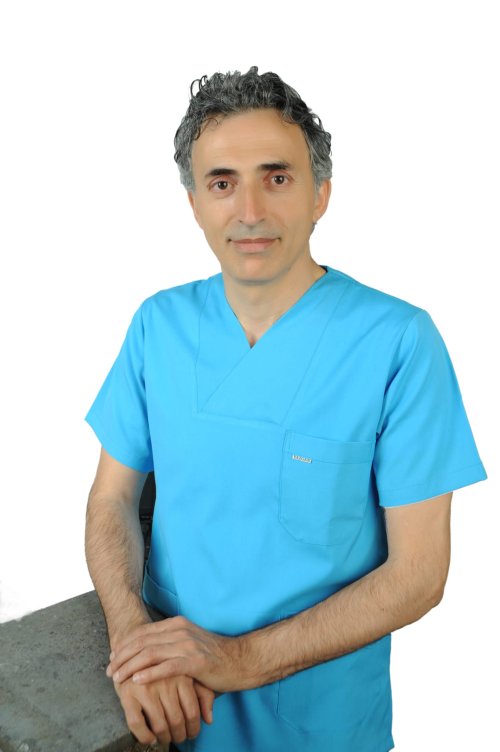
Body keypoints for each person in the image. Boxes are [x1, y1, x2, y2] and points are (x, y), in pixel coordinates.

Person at [84, 67, 487, 752]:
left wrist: (237, 660)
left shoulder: (396, 342)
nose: (249, 211)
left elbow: (419, 576)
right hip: (169, 713)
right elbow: (111, 500)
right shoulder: (158, 326)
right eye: (222, 183)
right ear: (194, 203)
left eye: (276, 178)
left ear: (320, 193)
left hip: (319, 724)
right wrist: (134, 642)